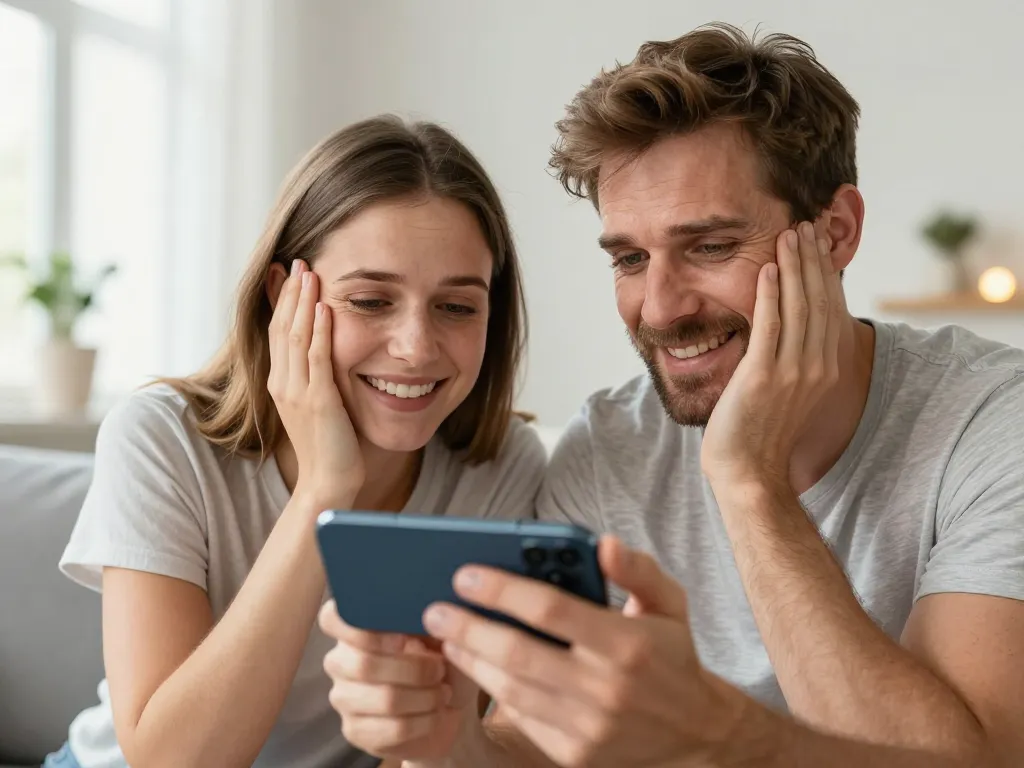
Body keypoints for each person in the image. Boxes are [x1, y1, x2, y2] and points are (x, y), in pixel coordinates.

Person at [319, 22, 1024, 768]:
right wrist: (454, 744)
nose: (659, 309)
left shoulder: (989, 423)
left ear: (837, 233)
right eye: (629, 258)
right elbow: (538, 745)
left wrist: (750, 482)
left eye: (710, 247)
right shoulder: (610, 446)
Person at [47, 115, 546, 768]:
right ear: (286, 296)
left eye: (457, 307)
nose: (417, 348)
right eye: (370, 300)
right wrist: (322, 492)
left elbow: (432, 744)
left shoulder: (499, 467)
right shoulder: (158, 437)